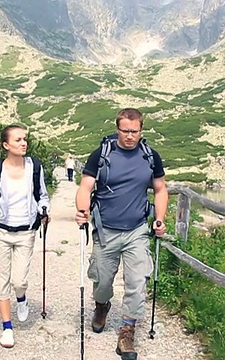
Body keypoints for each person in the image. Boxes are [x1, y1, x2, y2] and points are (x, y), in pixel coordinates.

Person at [74, 108, 167, 360]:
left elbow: (160, 189)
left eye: (134, 131)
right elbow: (85, 186)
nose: (129, 136)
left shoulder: (150, 157)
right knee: (102, 281)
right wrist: (82, 210)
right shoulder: (101, 155)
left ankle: (127, 331)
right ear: (117, 129)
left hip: (137, 230)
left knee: (137, 282)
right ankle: (102, 305)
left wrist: (159, 219)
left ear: (141, 130)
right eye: (125, 130)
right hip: (106, 230)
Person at [0, 124, 51, 349]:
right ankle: (7, 328)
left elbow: (43, 196)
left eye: (25, 139)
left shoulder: (35, 167)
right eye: (18, 140)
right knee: (2, 280)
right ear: (6, 145)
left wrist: (44, 210)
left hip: (26, 231)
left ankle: (21, 298)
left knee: (19, 281)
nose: (23, 143)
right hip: (0, 230)